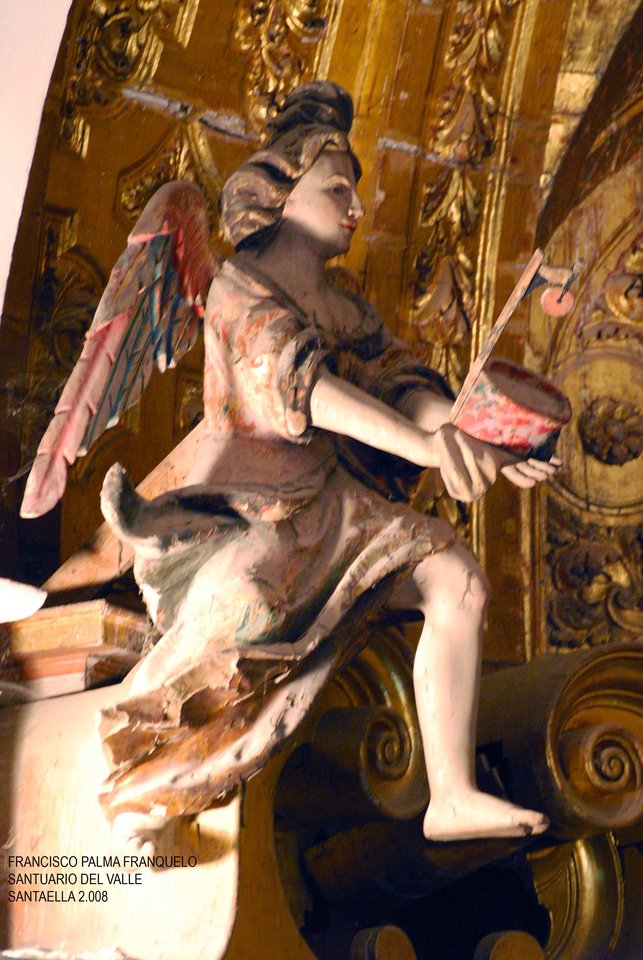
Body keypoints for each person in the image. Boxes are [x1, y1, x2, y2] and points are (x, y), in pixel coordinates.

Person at [96, 82, 560, 852]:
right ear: (277, 194)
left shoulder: (348, 302)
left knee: (459, 582)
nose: (356, 207)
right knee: (242, 618)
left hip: (342, 505)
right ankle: (146, 774)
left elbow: (399, 385)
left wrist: (475, 437)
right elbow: (302, 387)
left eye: (355, 192)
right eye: (337, 188)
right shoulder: (238, 286)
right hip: (260, 507)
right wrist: (426, 447)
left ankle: (449, 795)